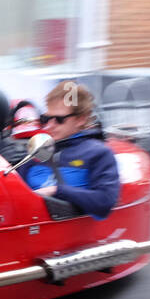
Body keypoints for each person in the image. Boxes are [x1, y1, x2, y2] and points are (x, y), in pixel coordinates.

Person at [18, 81, 119, 220]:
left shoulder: (99, 153)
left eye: (59, 119)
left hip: (72, 236)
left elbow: (104, 203)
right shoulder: (37, 148)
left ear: (80, 119)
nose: (49, 125)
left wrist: (56, 191)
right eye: (46, 118)